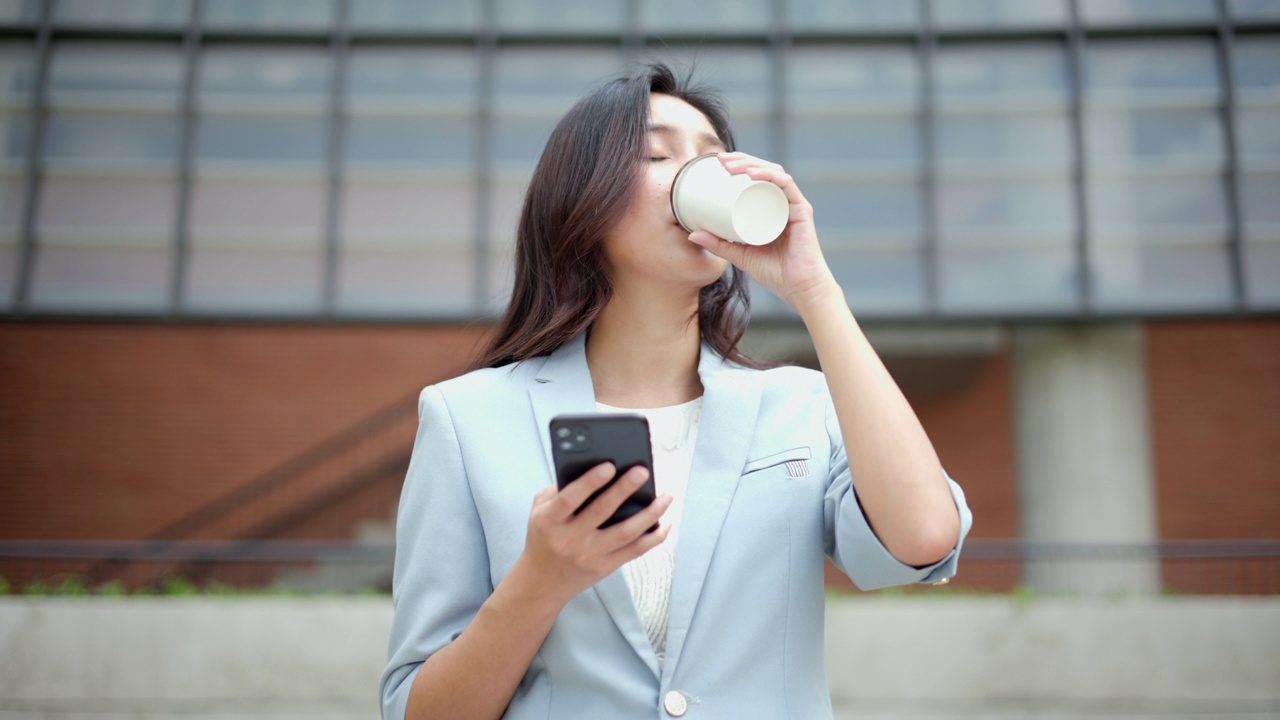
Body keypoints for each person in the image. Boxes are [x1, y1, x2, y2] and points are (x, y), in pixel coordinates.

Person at [380, 62, 972, 720]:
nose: (699, 173)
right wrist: (538, 585)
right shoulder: (466, 419)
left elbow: (922, 540)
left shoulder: (798, 406)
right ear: (583, 199)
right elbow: (419, 710)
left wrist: (814, 290)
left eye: (715, 156)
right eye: (655, 153)